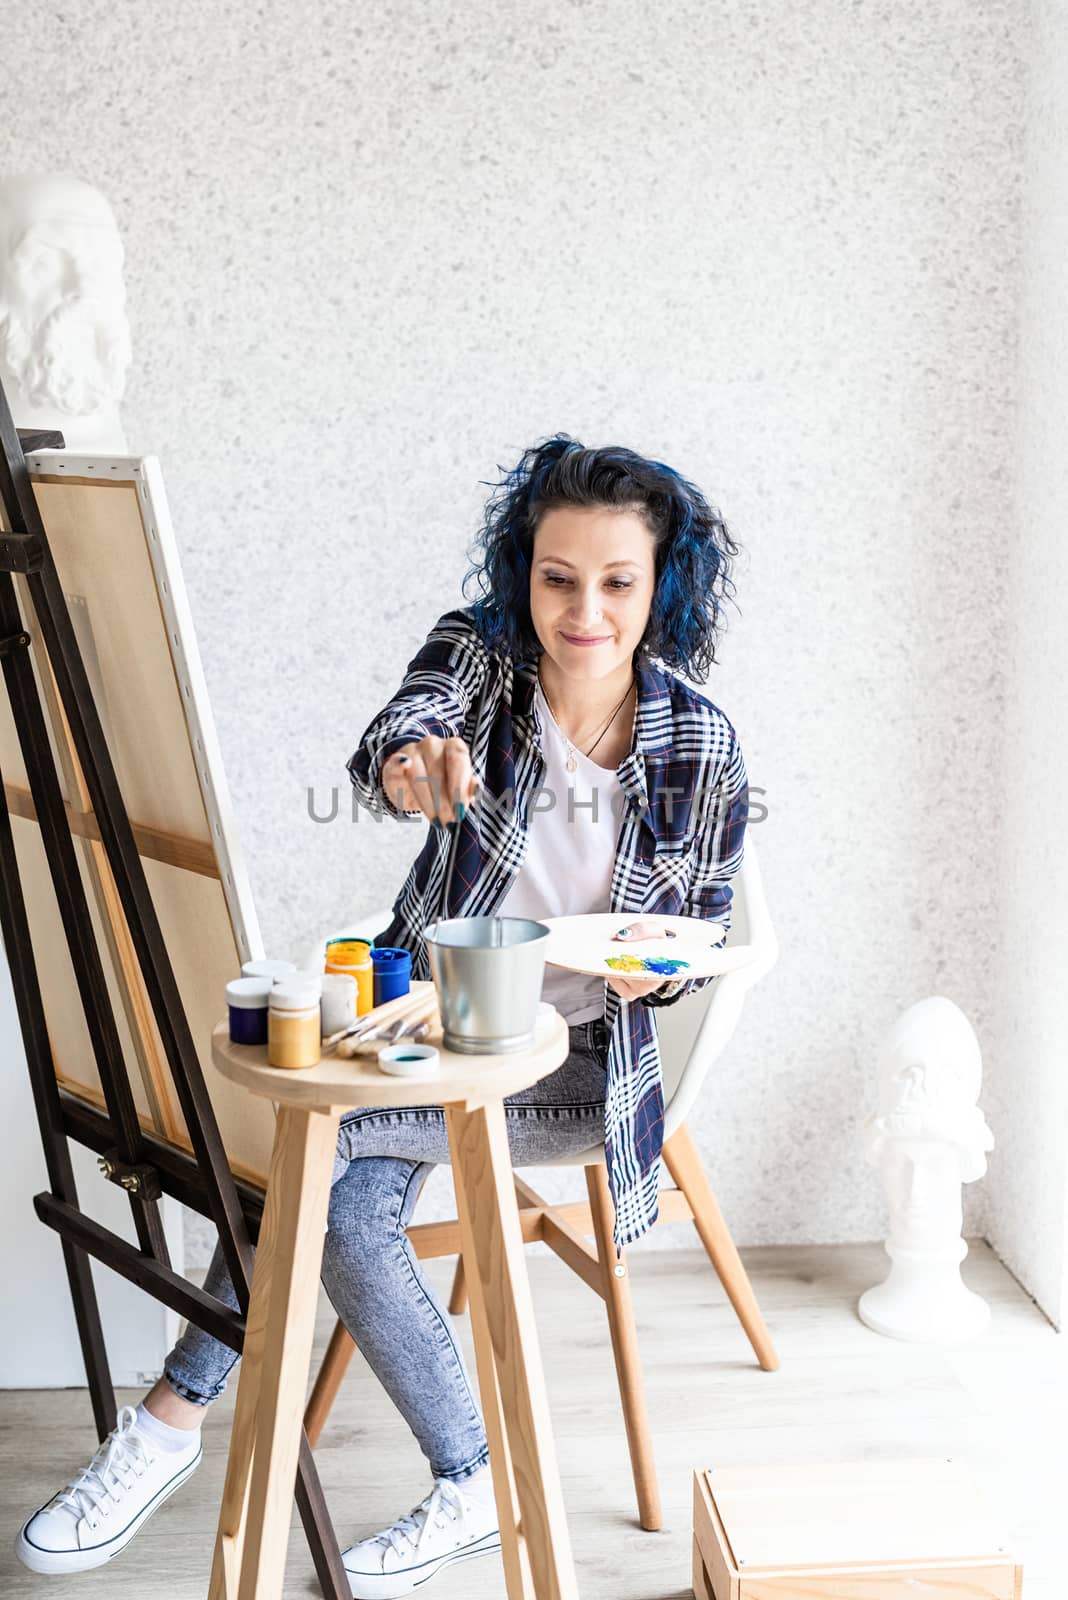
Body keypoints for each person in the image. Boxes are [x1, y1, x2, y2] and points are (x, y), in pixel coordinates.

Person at [15, 434, 750, 1597]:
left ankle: (167, 1421)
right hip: (435, 1020)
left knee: (317, 1153)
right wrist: (412, 761)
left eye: (617, 581)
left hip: (571, 1065)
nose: (585, 610)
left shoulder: (699, 743)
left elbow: (697, 936)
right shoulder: (484, 658)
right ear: (525, 574)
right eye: (558, 577)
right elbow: (407, 722)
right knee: (343, 1202)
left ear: (663, 585)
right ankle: (472, 1479)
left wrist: (652, 973)